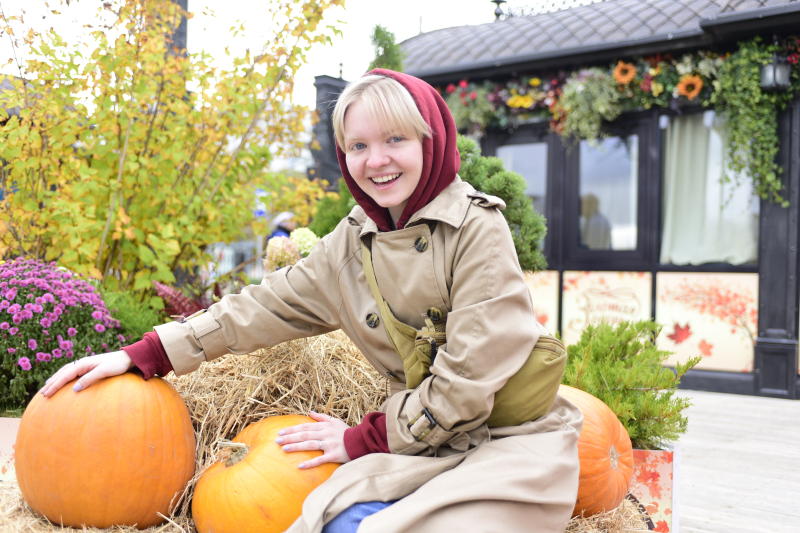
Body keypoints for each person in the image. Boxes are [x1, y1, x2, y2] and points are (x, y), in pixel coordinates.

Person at [40, 69, 582, 532]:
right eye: (359, 146)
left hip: (507, 442)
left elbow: (465, 385)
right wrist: (148, 354)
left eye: (395, 140)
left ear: (431, 141)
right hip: (425, 448)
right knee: (335, 518)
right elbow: (263, 305)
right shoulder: (353, 238)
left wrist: (362, 438)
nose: (376, 161)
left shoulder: (476, 229)